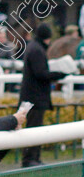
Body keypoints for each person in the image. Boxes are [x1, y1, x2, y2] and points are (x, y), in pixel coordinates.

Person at [19, 23, 65, 167]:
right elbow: (41, 73)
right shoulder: (37, 50)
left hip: (33, 95)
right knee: (34, 128)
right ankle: (29, 159)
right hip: (35, 97)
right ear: (47, 37)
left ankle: (33, 158)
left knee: (34, 128)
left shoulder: (33, 47)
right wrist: (59, 74)